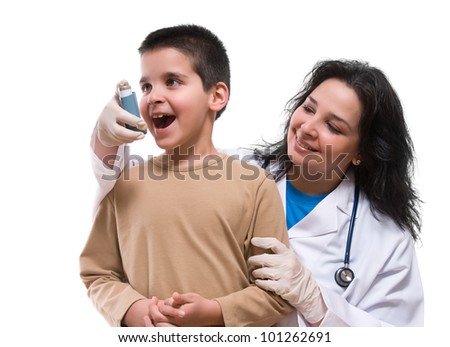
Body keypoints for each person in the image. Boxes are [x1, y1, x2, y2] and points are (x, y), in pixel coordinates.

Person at [90, 58, 424, 326]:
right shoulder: (236, 168)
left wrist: (319, 304)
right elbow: (129, 197)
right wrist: (105, 140)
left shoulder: (386, 240)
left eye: (333, 127)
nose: (307, 128)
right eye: (308, 108)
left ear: (361, 151)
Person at [80, 24, 293, 327]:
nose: (153, 96)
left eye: (172, 81)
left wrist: (216, 311)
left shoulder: (255, 185)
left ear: (216, 96)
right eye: (146, 86)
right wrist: (136, 311)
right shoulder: (125, 183)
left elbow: (277, 293)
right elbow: (97, 272)